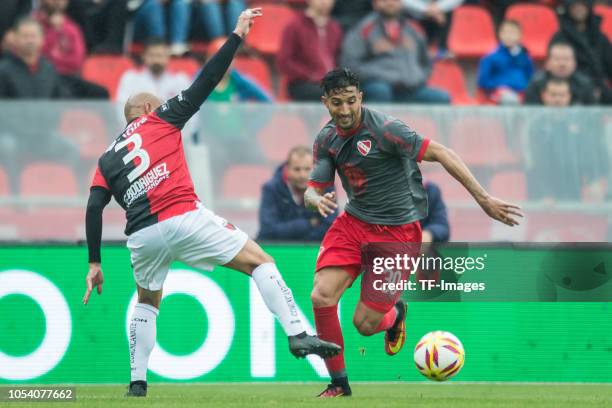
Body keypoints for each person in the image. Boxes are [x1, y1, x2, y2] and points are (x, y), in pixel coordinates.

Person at [82, 9, 341, 398]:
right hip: (182, 214)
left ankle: (137, 383)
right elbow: (206, 79)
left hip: (141, 236)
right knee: (260, 262)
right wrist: (235, 37)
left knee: (148, 300)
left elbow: (93, 207)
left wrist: (95, 262)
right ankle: (297, 333)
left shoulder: (107, 157)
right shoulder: (162, 119)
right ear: (150, 110)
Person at [305, 67, 522, 397]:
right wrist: (314, 198)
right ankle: (338, 384)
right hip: (353, 223)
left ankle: (394, 315)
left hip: (396, 234)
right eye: (337, 103)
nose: (345, 110)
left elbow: (442, 153)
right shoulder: (326, 139)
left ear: (360, 97)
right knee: (321, 295)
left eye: (351, 101)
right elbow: (313, 187)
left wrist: (484, 199)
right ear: (326, 103)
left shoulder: (388, 130)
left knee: (364, 325)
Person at [341, 0, 450, 104]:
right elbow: (350, 64)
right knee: (380, 90)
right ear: (375, 3)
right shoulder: (363, 29)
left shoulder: (414, 29)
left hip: (410, 89)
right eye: (384, 0)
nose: (390, 3)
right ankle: (375, 123)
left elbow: (426, 62)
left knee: (441, 98)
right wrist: (384, 76)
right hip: (378, 87)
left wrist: (417, 77)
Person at [527, 77, 608, 201]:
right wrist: (545, 194)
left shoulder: (579, 124)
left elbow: (587, 154)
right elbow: (535, 164)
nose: (558, 99)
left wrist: (593, 180)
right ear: (544, 96)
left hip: (572, 189)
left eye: (562, 95)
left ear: (569, 96)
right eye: (553, 95)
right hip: (544, 194)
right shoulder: (535, 125)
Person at [258, 146, 338, 241]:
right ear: (286, 169)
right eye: (297, 169)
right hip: (278, 249)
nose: (302, 175)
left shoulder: (326, 186)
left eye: (307, 169)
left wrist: (302, 241)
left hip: (313, 248)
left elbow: (330, 226)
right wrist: (309, 224)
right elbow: (268, 230)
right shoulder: (271, 189)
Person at [277, 0, 343, 101]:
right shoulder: (294, 26)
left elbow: (337, 59)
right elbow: (284, 62)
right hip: (301, 83)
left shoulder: (335, 28)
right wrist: (311, 75)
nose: (325, 2)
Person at [550, 0, 612, 104]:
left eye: (582, 5)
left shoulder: (601, 38)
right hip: (569, 91)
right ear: (568, 8)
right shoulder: (559, 38)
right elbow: (555, 70)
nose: (579, 9)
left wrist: (600, 88)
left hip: (600, 88)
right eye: (575, 5)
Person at [116, 38, 191, 104]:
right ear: (143, 56)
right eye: (152, 55)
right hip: (140, 120)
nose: (156, 60)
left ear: (168, 56)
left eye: (160, 55)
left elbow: (189, 112)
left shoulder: (180, 79)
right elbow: (122, 108)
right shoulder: (130, 78)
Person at [477, 19, 534, 104]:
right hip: (499, 93)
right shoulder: (490, 57)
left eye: (513, 33)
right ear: (500, 34)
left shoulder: (525, 57)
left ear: (520, 35)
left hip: (522, 92)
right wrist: (503, 86)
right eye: (506, 32)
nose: (509, 36)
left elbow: (531, 77)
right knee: (510, 99)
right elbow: (483, 81)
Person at [524, 41, 598, 105]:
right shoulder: (536, 84)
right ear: (548, 62)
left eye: (566, 59)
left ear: (575, 63)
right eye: (557, 59)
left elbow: (592, 114)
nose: (562, 64)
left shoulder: (585, 85)